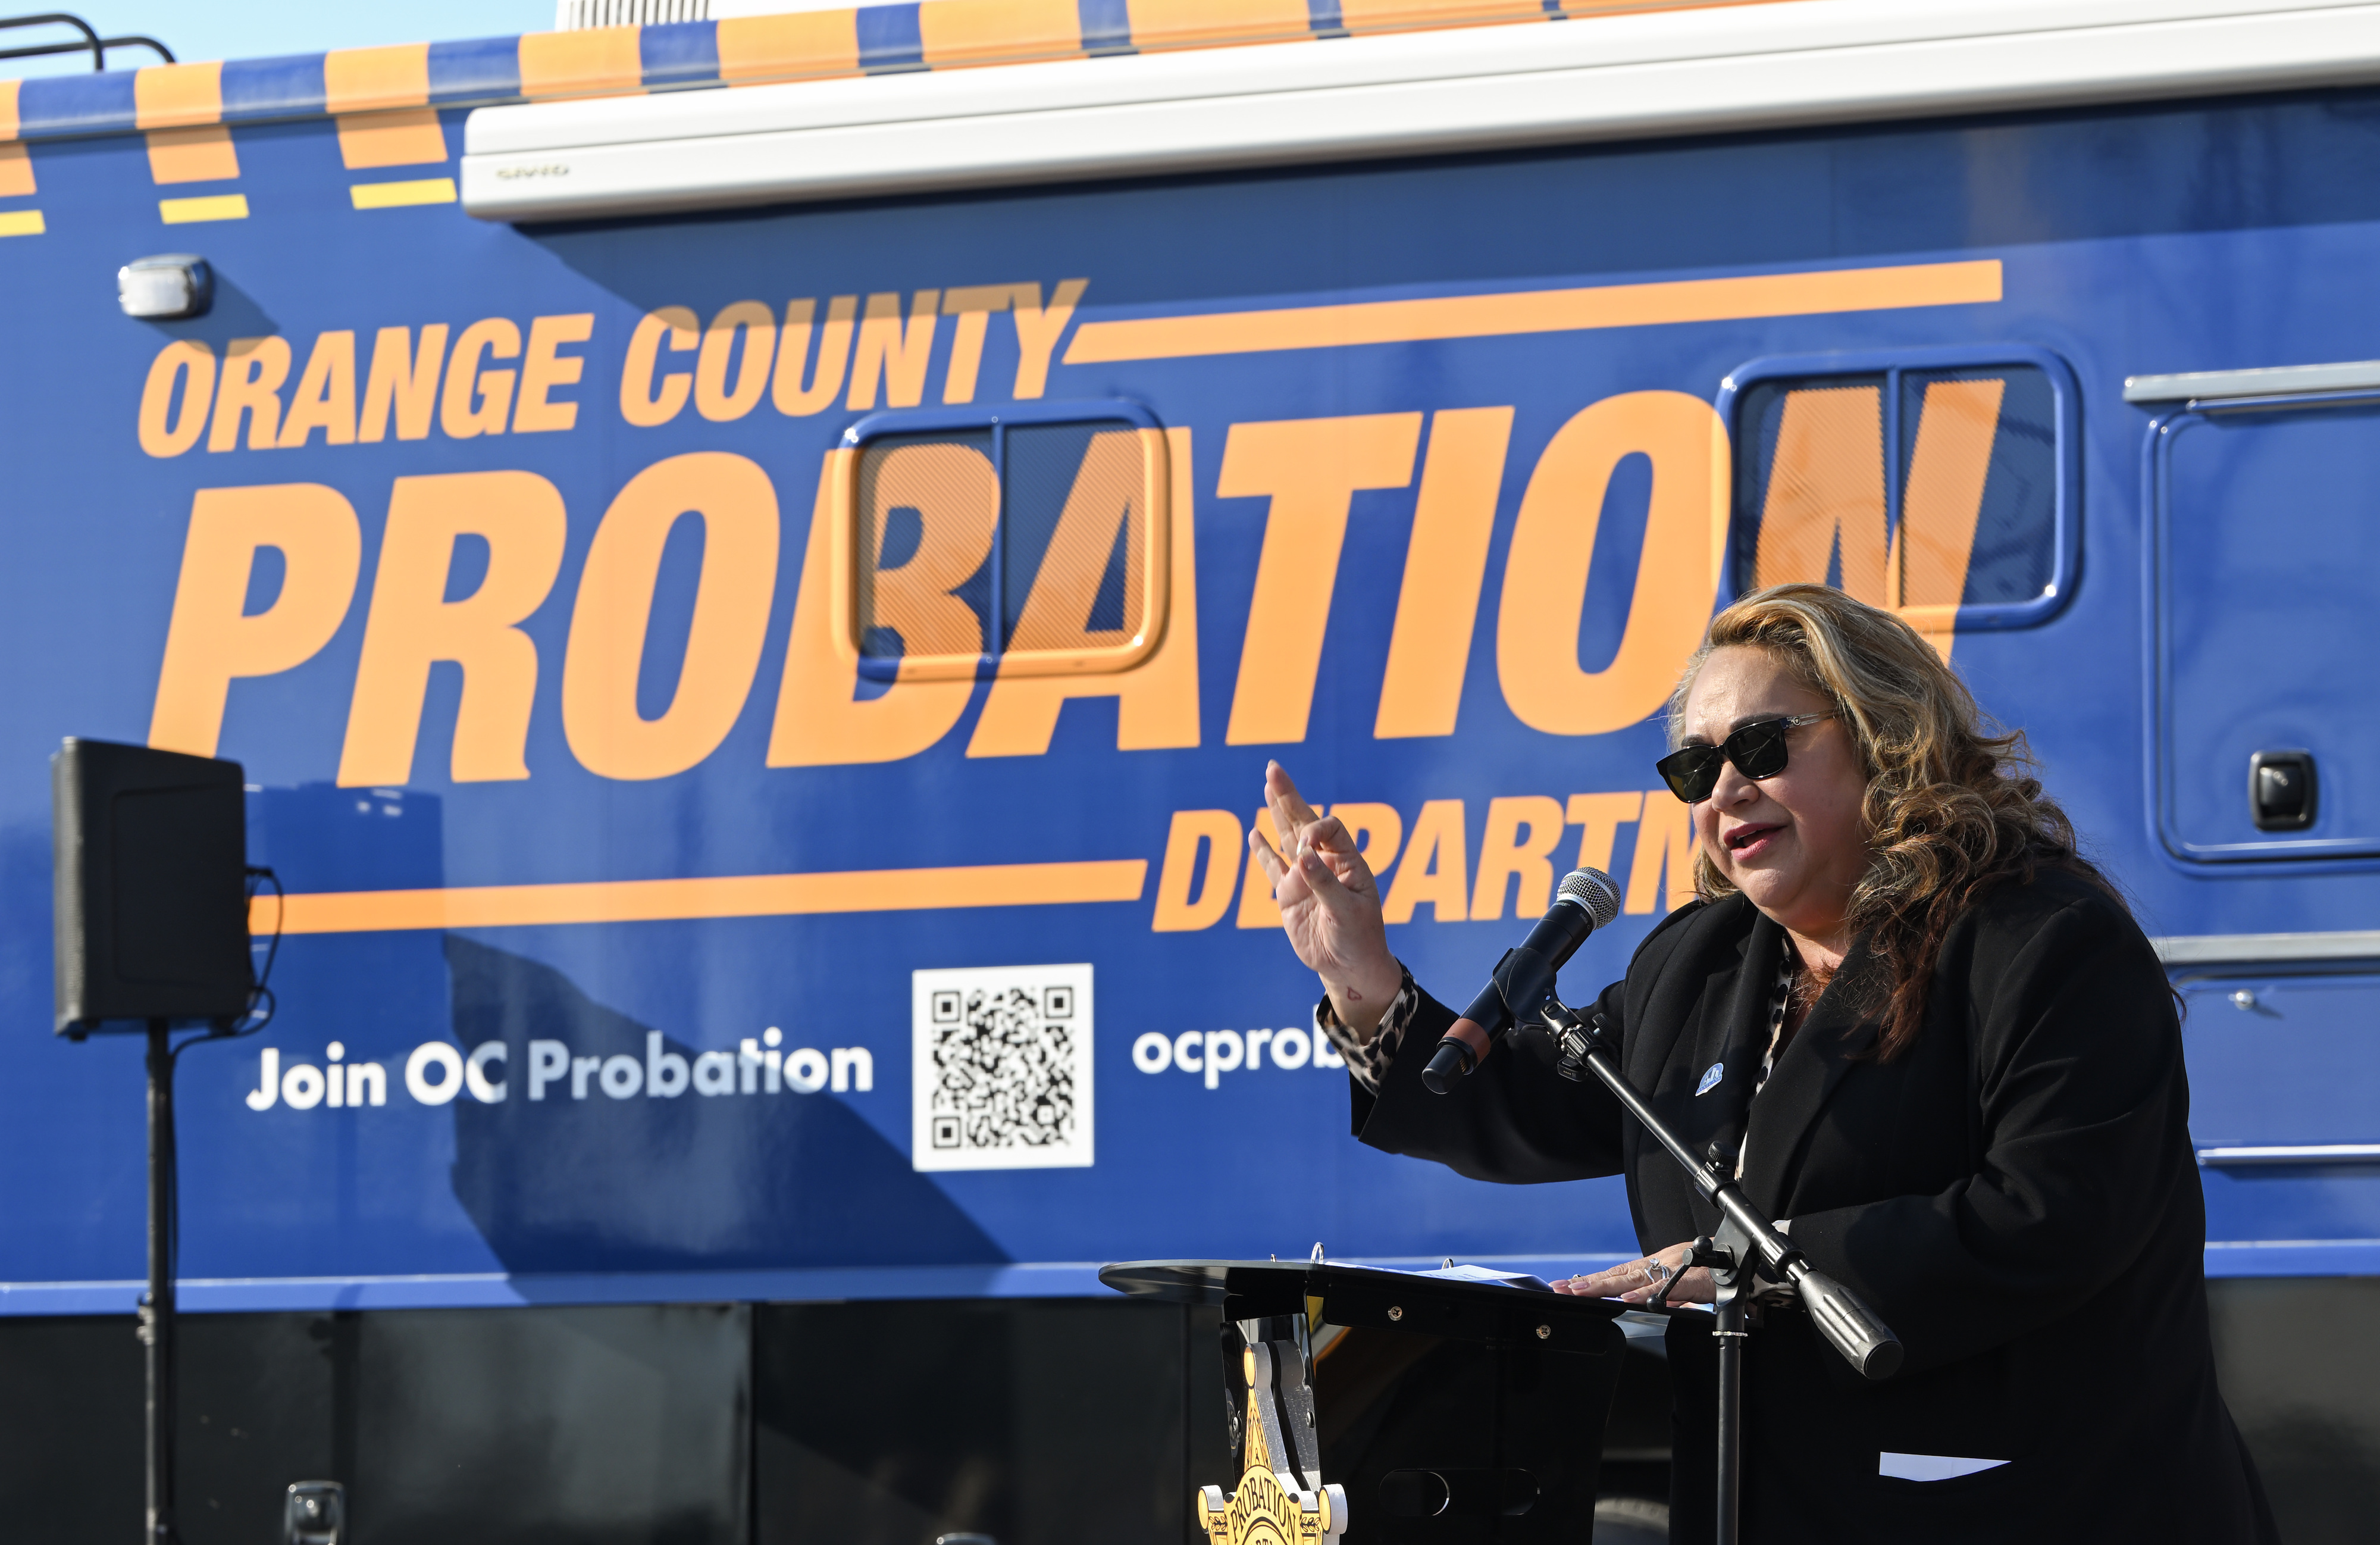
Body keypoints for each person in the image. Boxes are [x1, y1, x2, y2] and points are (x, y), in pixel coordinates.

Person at [1250, 584, 2276, 1543]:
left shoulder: (2039, 938)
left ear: (1885, 739)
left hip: (2029, 1506)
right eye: (1697, 766)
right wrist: (1365, 982)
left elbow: (2056, 1218)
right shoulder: (1698, 962)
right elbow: (1515, 1102)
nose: (1728, 784)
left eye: (1761, 743)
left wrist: (1749, 1268)